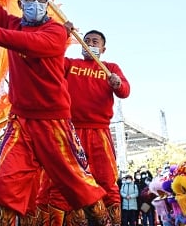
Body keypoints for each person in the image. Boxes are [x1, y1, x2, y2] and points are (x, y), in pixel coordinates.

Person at [0, 0, 109, 225]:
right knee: (5, 187)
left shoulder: (55, 31)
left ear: (48, 3)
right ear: (20, 1)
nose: (36, 2)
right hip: (21, 122)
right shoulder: (12, 23)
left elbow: (34, 45)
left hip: (54, 122)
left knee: (81, 188)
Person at [37, 28, 130, 225]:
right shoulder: (71, 64)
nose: (90, 44)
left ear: (103, 48)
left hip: (99, 132)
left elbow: (125, 91)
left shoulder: (110, 67)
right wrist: (63, 36)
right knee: (61, 181)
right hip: (70, 132)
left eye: (95, 41)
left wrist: (117, 83)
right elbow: (49, 62)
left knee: (106, 180)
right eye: (86, 40)